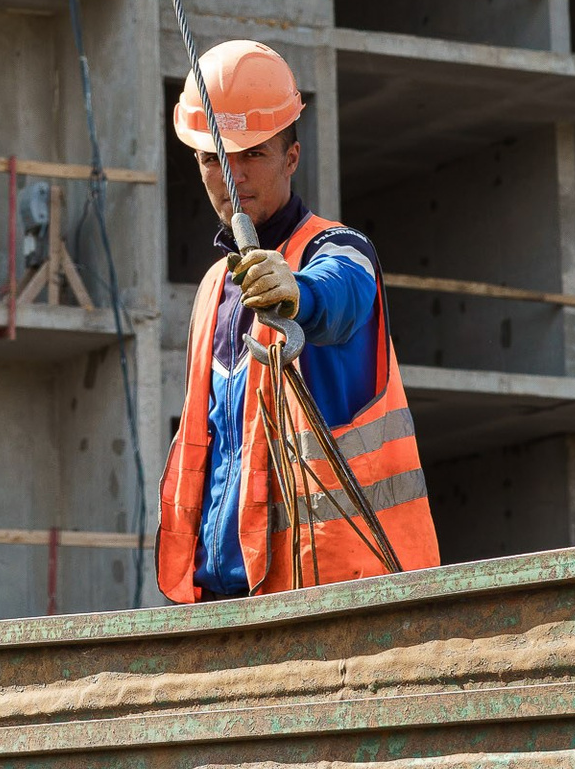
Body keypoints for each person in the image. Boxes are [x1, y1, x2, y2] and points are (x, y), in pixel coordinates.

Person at [154, 42, 435, 602]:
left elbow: (342, 291)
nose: (232, 177)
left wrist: (297, 293)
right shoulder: (214, 289)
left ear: (292, 157)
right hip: (226, 598)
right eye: (213, 158)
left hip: (345, 591)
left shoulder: (339, 249)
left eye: (253, 153)